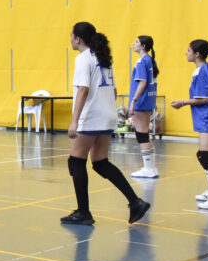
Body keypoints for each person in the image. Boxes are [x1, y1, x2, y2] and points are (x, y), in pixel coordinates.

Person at [61, 22, 150, 226]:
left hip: (91, 116)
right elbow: (114, 91)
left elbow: (83, 89)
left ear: (78, 39)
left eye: (71, 35)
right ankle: (135, 202)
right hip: (107, 114)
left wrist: (74, 120)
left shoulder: (83, 59)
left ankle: (84, 212)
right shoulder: (102, 57)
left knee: (76, 162)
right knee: (100, 163)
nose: (70, 39)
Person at [171, 39, 208, 209]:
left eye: (188, 50)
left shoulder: (203, 71)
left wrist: (182, 102)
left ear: (197, 54)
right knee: (203, 155)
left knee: (206, 156)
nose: (186, 53)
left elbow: (204, 98)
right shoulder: (203, 70)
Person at [128, 35, 159, 178]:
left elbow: (142, 83)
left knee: (142, 135)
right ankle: (151, 167)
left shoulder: (142, 61)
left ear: (143, 46)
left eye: (136, 42)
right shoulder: (150, 60)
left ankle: (148, 168)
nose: (134, 44)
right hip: (148, 101)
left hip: (141, 102)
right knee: (145, 134)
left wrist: (133, 101)